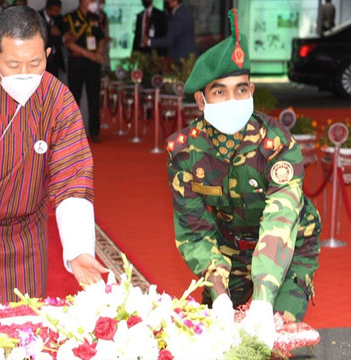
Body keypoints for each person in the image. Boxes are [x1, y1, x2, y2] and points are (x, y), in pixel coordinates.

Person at [165, 9, 321, 350]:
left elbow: (280, 219)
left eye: (241, 89)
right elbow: (195, 231)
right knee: (225, 343)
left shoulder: (277, 145)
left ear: (251, 89)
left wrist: (265, 300)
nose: (232, 100)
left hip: (288, 249)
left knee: (275, 339)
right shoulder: (184, 153)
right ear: (201, 99)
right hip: (225, 252)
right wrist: (219, 297)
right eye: (220, 92)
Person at [0, 5, 108, 310]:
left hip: (29, 231)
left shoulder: (58, 98)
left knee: (27, 329)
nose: (26, 74)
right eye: (14, 64)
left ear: (48, 54)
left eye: (35, 62)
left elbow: (73, 176)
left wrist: (80, 250)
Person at [65, 0, 105, 142]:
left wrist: (99, 52)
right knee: (74, 97)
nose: (92, 2)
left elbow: (100, 37)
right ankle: (72, 134)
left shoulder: (95, 17)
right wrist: (88, 54)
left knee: (94, 96)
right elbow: (68, 42)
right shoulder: (70, 17)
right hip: (77, 61)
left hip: (93, 63)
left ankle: (94, 131)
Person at [40, 0, 66, 77]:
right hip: (41, 57)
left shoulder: (59, 18)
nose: (58, 13)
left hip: (54, 58)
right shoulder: (37, 17)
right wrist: (49, 31)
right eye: (56, 11)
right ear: (49, 9)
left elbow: (62, 35)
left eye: (59, 11)